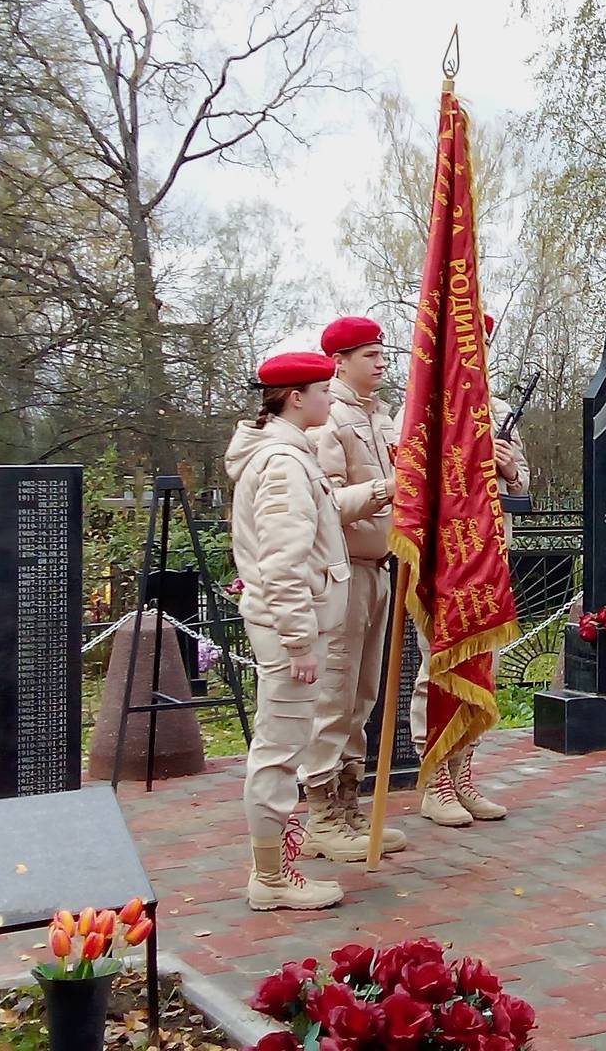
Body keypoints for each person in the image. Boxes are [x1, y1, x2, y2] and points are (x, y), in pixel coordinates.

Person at [225, 351, 376, 910]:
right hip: (292, 629)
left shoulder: (288, 454)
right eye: (322, 390)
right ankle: (270, 878)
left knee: (283, 745)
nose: (330, 398)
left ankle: (274, 871)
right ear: (295, 398)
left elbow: (329, 509)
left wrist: (383, 490)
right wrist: (297, 639)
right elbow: (282, 562)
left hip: (297, 623)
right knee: (280, 750)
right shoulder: (284, 463)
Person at [404, 312, 532, 827]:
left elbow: (522, 485)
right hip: (443, 556)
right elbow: (410, 486)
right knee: (436, 665)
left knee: (485, 664)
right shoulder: (420, 411)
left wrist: (505, 466)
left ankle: (463, 775)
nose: (474, 352)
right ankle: (434, 778)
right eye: (466, 342)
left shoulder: (497, 409)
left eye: (481, 343)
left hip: (487, 556)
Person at [295, 315, 406, 863]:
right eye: (369, 355)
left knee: (363, 692)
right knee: (335, 691)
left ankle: (349, 803)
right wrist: (388, 487)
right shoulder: (328, 419)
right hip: (343, 571)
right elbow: (329, 504)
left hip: (379, 565)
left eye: (381, 353)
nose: (381, 363)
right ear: (339, 361)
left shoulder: (380, 416)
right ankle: (319, 812)